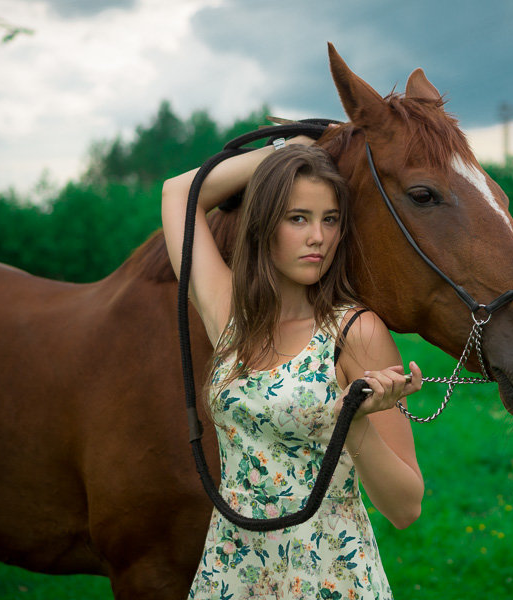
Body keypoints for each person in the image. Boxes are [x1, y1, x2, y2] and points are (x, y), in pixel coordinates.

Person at [162, 136, 424, 599]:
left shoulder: (354, 333)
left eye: (330, 220)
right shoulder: (229, 316)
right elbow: (179, 193)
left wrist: (356, 423)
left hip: (329, 578)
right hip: (231, 575)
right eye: (297, 218)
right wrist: (287, 150)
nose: (317, 237)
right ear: (264, 225)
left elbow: (405, 508)